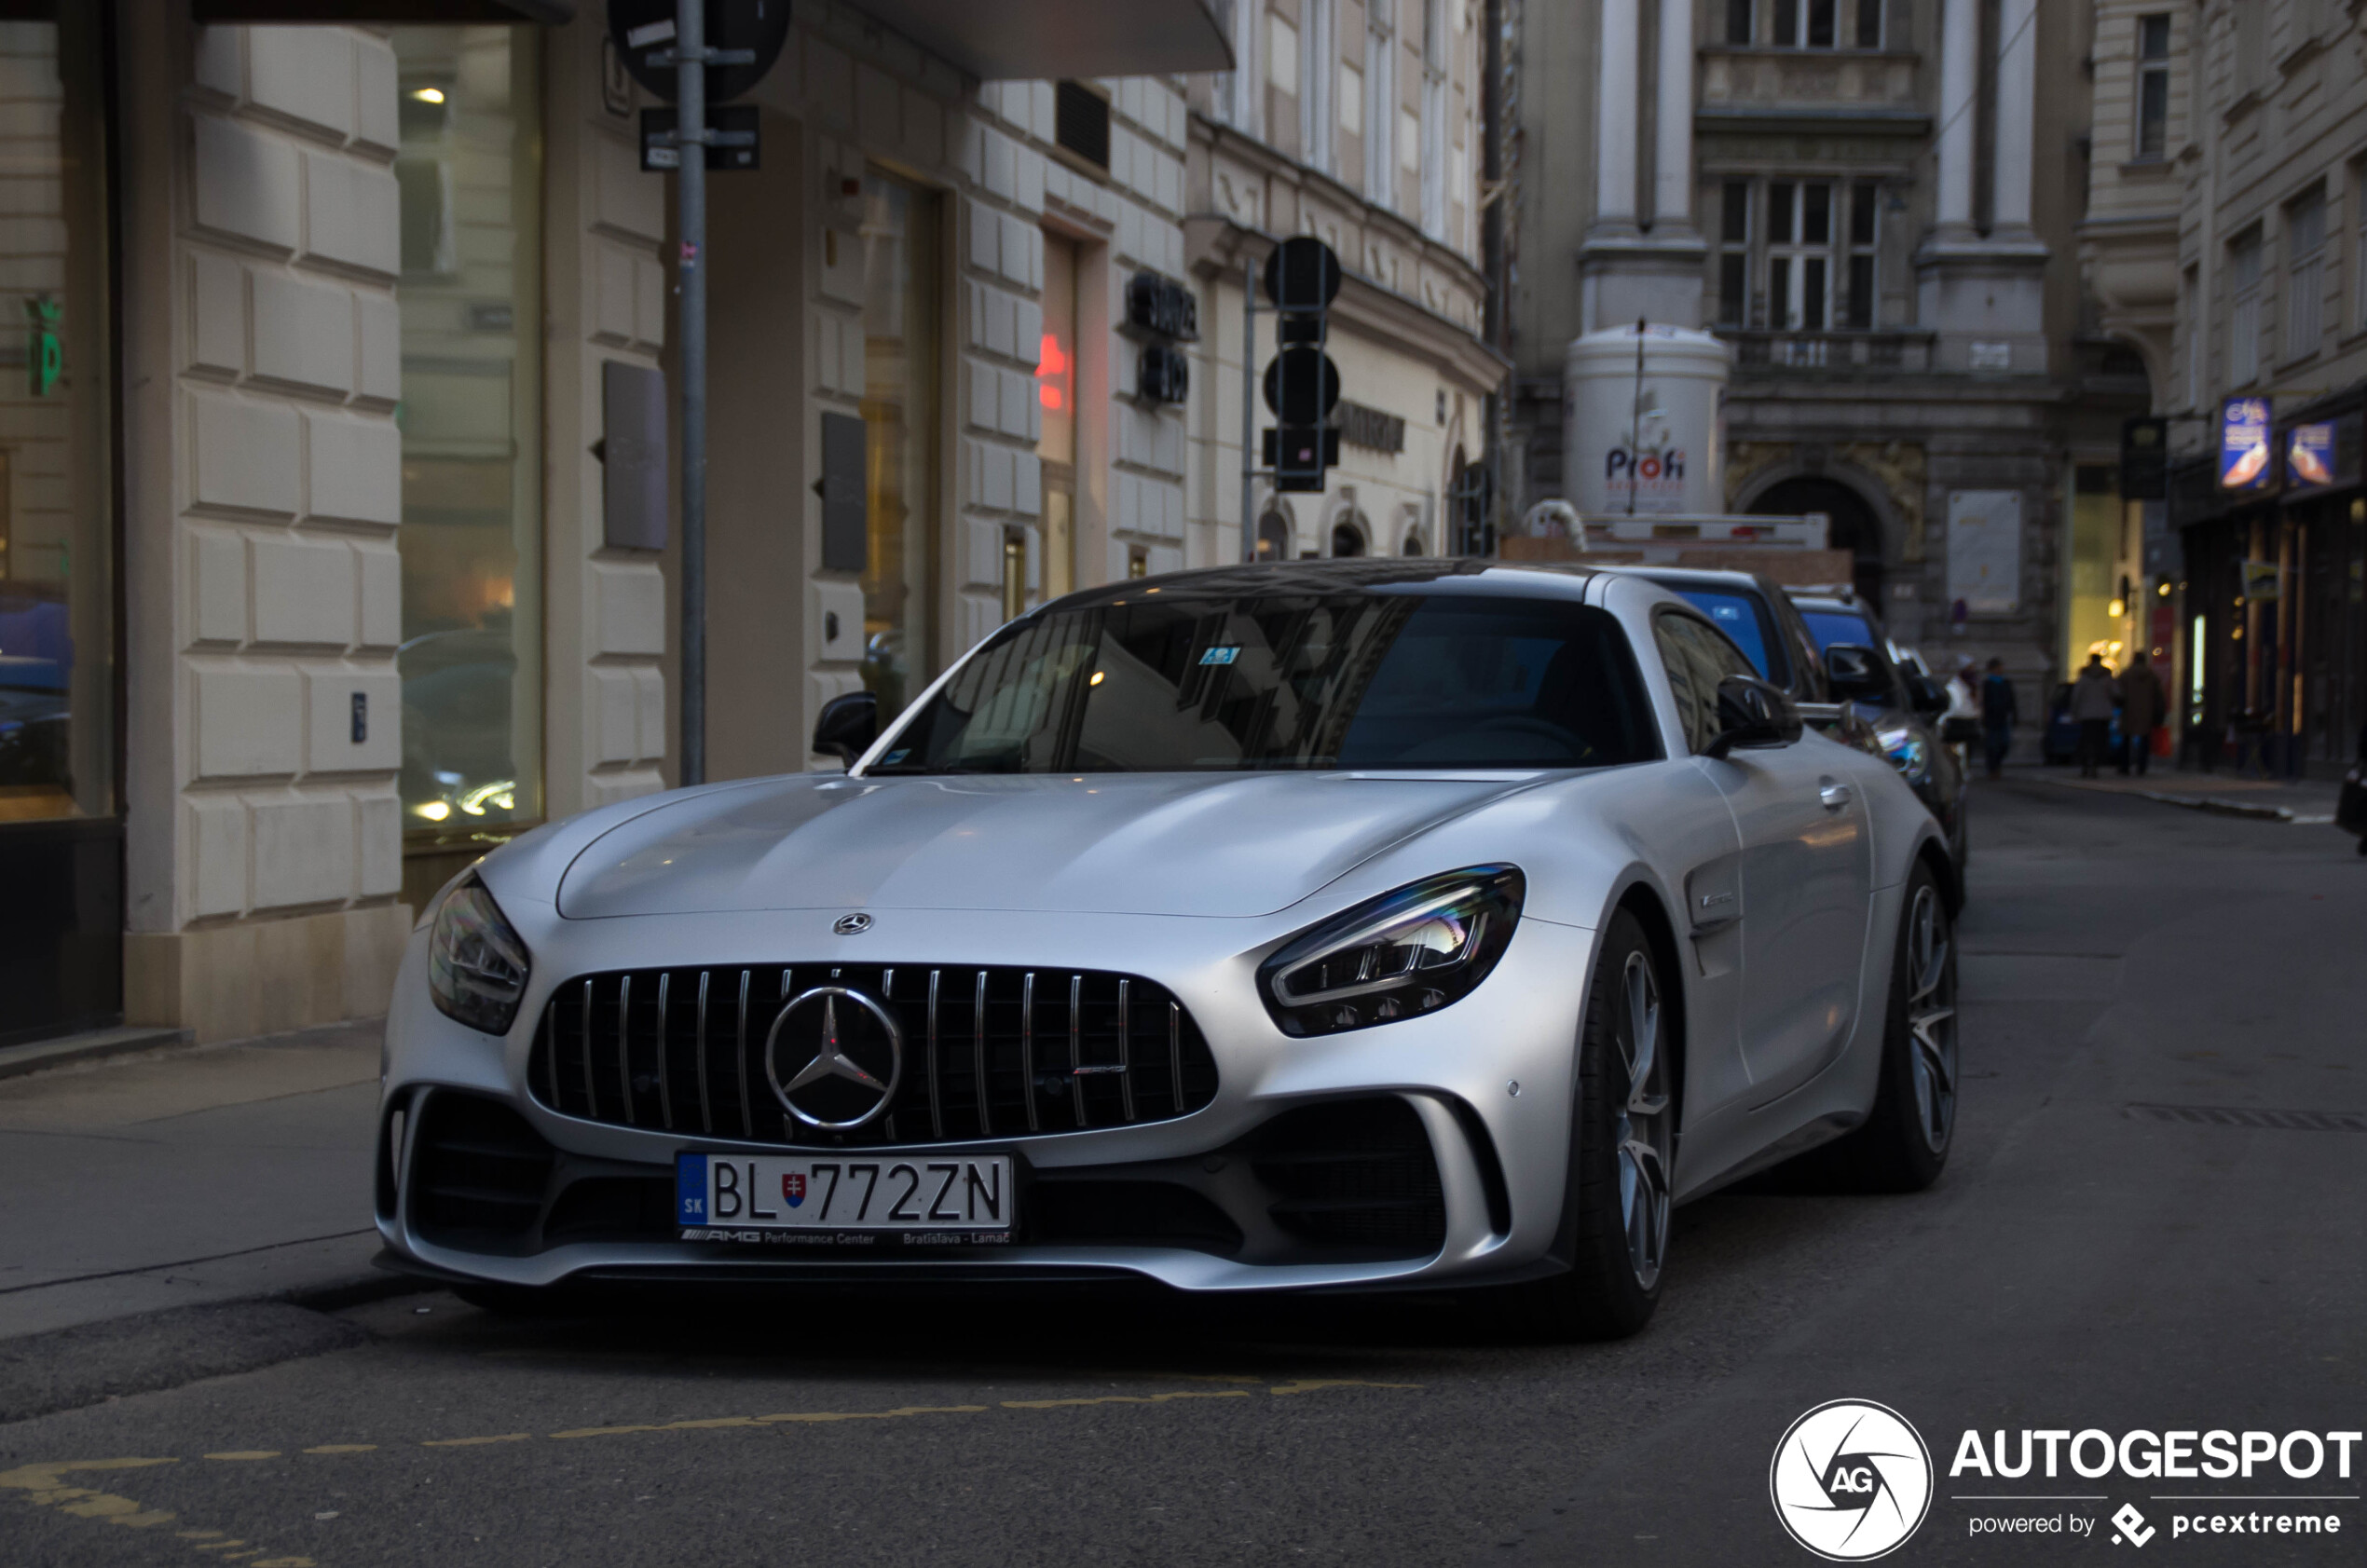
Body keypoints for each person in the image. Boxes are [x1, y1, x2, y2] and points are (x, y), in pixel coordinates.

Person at [2070, 652, 2120, 779]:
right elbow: (2117, 693)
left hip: (2086, 714)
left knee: (2087, 740)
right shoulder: (2107, 676)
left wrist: (2074, 712)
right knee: (2099, 741)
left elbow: (2076, 696)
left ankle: (2086, 764)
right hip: (2103, 714)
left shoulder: (2084, 677)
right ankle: (2095, 765)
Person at [2117, 650, 2166, 777]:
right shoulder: (2151, 675)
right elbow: (2159, 695)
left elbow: (2117, 692)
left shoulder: (2126, 674)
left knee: (2126, 738)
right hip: (2147, 711)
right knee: (2145, 740)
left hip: (2129, 710)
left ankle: (2125, 766)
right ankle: (2142, 767)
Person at [1979, 658, 2018, 779]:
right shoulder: (1987, 684)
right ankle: (1993, 768)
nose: (2001, 669)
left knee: (2004, 744)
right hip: (1991, 719)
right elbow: (1984, 702)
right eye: (1999, 667)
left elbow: (2012, 700)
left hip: (2003, 718)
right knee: (1992, 746)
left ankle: (1997, 765)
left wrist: (2015, 715)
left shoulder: (2006, 683)